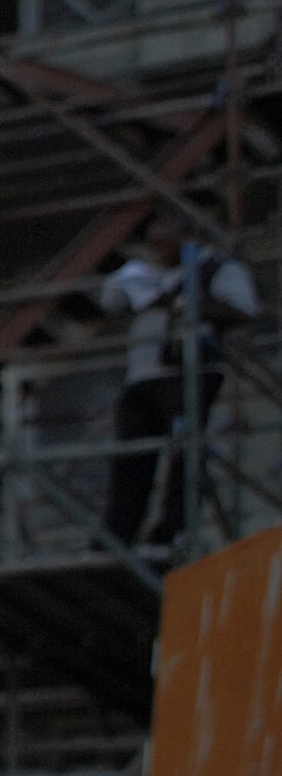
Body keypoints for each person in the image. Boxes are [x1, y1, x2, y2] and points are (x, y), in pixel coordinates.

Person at [101, 235, 259, 556]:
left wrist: (186, 303)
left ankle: (170, 533)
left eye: (166, 234)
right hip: (141, 378)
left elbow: (243, 310)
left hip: (188, 374)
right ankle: (116, 537)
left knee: (184, 454)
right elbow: (111, 300)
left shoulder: (215, 268)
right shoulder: (139, 271)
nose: (158, 243)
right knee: (132, 459)